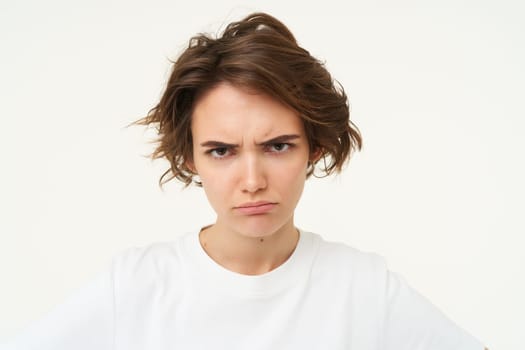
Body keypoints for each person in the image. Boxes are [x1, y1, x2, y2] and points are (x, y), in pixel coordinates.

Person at [3, 12, 486, 350]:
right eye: (221, 151)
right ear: (190, 158)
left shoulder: (364, 289)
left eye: (277, 146)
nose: (252, 180)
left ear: (314, 147)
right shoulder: (135, 288)